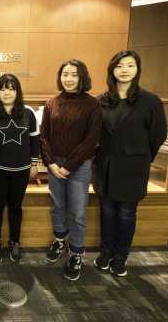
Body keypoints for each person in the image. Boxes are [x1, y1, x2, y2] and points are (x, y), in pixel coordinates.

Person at [92, 50, 167, 277]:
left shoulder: (150, 101)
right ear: (112, 70)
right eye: (119, 65)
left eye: (130, 65)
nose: (124, 70)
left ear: (137, 69)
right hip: (105, 166)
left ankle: (121, 257)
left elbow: (158, 135)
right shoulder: (100, 99)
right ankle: (105, 252)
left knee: (126, 213)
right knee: (106, 211)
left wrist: (141, 157)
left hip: (133, 168)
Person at [40, 59, 102, 281]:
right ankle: (59, 242)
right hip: (54, 164)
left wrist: (68, 167)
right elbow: (44, 136)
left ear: (82, 77)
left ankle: (76, 253)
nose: (69, 79)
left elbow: (91, 140)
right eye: (65, 74)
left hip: (79, 164)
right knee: (58, 206)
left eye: (74, 74)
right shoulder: (51, 103)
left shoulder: (92, 104)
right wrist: (51, 163)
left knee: (77, 212)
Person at [0, 74, 40, 264]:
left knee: (16, 207)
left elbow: (35, 140)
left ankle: (15, 242)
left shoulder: (28, 112)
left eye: (11, 88)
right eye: (2, 89)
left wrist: (34, 163)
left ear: (17, 91)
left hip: (22, 170)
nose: (6, 93)